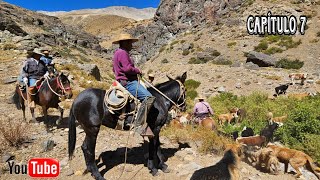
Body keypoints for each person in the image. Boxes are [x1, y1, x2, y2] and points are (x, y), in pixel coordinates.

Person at [112, 33, 155, 135]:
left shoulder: (117, 52)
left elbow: (114, 69)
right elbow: (127, 68)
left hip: (122, 80)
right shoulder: (123, 53)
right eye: (130, 42)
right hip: (128, 82)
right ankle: (138, 125)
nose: (132, 45)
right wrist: (137, 70)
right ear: (125, 43)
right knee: (148, 97)